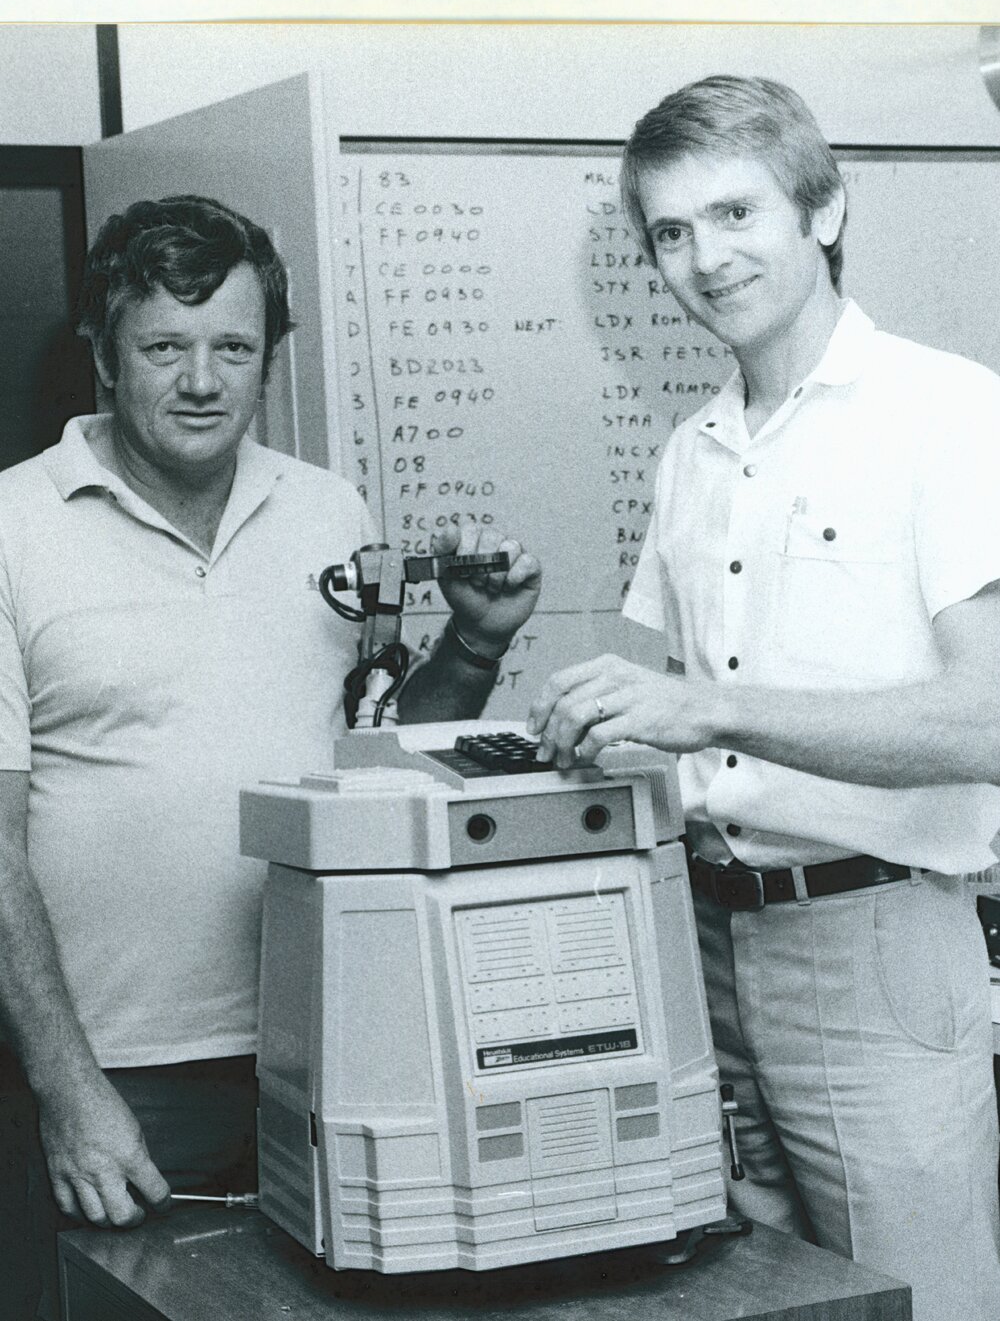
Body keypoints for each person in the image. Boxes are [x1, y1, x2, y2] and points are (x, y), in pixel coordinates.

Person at [0, 194, 540, 1318]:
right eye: (163, 346)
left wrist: (474, 644)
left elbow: (377, 757)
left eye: (232, 348)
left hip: (330, 1047)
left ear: (268, 359)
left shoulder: (330, 511)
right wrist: (66, 1085)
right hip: (114, 1075)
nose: (201, 381)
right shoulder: (12, 527)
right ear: (103, 354)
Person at [527, 75, 1000, 1321]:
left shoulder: (949, 413)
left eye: (735, 215)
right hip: (705, 940)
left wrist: (713, 713)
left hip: (876, 944)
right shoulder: (695, 450)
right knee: (757, 1304)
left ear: (824, 210)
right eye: (670, 233)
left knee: (918, 1306)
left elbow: (989, 723)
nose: (703, 258)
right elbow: (648, 713)